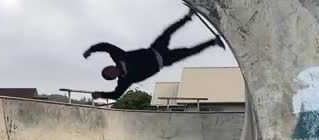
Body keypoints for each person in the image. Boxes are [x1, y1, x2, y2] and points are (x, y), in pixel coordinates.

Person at [83, 9, 226, 100]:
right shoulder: (125, 81)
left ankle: (189, 15)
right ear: (112, 77)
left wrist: (91, 49)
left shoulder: (119, 57)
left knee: (168, 31)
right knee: (188, 52)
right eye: (110, 72)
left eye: (109, 68)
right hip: (164, 61)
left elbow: (107, 47)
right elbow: (116, 95)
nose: (111, 69)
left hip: (156, 49)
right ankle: (214, 42)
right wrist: (101, 94)